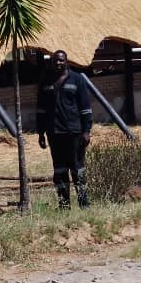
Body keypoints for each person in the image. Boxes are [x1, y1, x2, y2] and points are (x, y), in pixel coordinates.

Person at [36, 49, 92, 209]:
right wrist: (41, 133)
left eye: (61, 60)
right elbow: (40, 109)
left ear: (66, 61)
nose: (58, 63)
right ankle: (64, 205)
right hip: (54, 133)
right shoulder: (46, 81)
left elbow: (85, 108)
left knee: (77, 169)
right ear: (51, 62)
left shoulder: (77, 79)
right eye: (55, 61)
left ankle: (84, 204)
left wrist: (86, 130)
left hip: (75, 132)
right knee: (59, 170)